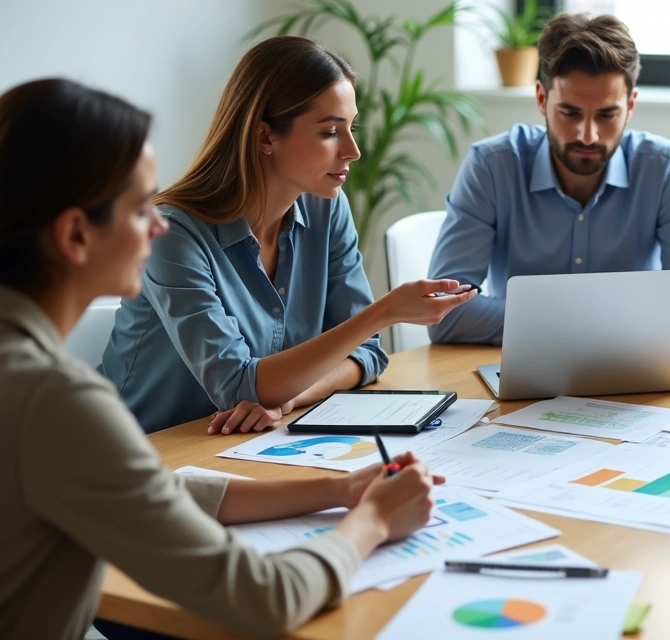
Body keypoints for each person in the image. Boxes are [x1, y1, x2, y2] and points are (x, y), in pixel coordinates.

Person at [0, 78, 444, 640]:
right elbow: (264, 599)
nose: (157, 225)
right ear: (75, 235)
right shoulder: (57, 401)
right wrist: (372, 521)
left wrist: (336, 490)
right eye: (140, 209)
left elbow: (153, 494)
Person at [100, 36, 475, 434]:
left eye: (351, 128)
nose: (353, 150)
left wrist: (292, 396)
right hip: (140, 451)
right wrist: (383, 312)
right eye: (330, 132)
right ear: (265, 138)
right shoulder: (171, 234)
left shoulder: (327, 208)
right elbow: (238, 386)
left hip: (238, 445)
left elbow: (366, 355)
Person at [427, 13, 670, 345]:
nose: (587, 135)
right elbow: (444, 314)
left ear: (631, 105)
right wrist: (612, 320)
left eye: (607, 115)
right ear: (541, 99)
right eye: (570, 113)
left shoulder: (664, 167)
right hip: (523, 376)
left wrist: (545, 320)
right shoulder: (493, 166)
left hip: (629, 376)